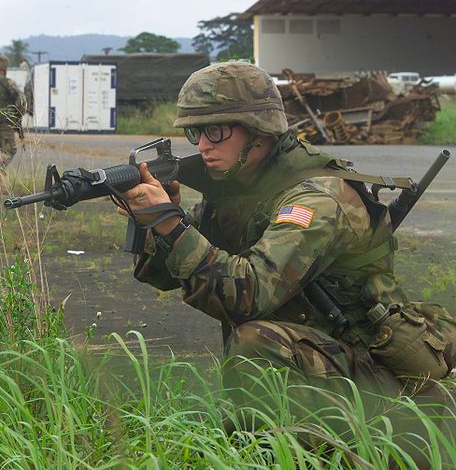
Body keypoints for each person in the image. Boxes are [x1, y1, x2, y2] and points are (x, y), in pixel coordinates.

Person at [117, 61, 455, 464]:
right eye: (195, 132)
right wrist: (160, 223)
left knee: (256, 341)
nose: (203, 145)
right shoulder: (240, 189)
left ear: (259, 129)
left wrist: (171, 225)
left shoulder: (316, 198)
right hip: (323, 361)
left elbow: (245, 294)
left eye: (216, 130)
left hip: (375, 373)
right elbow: (170, 276)